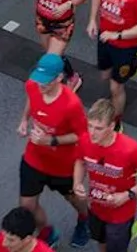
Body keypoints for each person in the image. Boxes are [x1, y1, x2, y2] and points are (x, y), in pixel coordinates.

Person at [17, 53, 92, 248]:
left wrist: (50, 140)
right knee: (27, 206)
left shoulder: (71, 104)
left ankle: (85, 220)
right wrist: (24, 120)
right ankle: (47, 233)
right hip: (34, 158)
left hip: (63, 165)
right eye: (39, 79)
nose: (41, 84)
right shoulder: (33, 85)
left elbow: (81, 135)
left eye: (46, 81)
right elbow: (31, 99)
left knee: (74, 199)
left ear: (59, 78)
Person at [73, 99, 137, 252]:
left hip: (121, 214)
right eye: (90, 126)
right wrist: (77, 183)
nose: (92, 132)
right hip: (96, 207)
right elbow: (80, 161)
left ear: (111, 126)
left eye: (99, 128)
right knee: (101, 242)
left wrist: (128, 194)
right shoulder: (85, 140)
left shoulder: (131, 149)